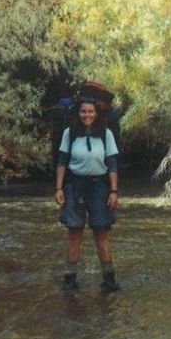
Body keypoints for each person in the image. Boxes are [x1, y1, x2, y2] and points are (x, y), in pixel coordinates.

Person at [54, 97, 120, 293]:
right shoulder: (70, 133)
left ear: (96, 113)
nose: (87, 115)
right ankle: (70, 279)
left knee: (101, 232)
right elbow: (62, 161)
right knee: (74, 233)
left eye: (90, 111)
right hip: (74, 186)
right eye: (83, 111)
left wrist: (114, 191)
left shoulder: (106, 134)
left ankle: (109, 280)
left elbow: (112, 163)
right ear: (78, 113)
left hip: (99, 187)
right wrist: (58, 188)